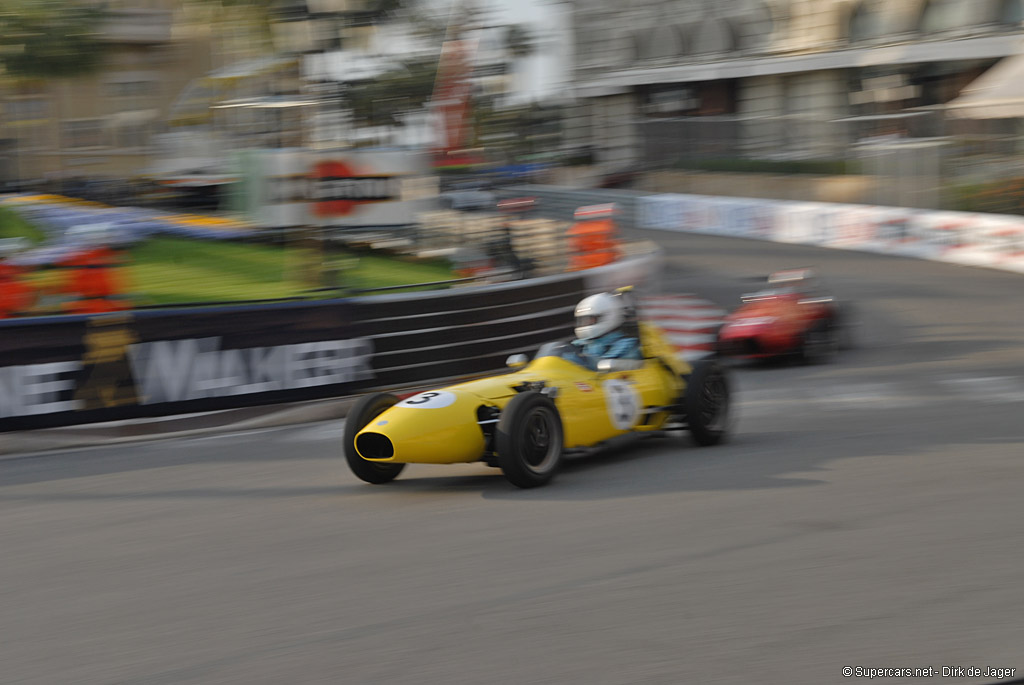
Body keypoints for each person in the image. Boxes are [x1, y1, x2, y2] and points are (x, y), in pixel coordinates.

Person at [569, 291, 641, 369]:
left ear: (608, 317)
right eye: (583, 320)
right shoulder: (581, 344)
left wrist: (583, 360)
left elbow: (603, 367)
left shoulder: (627, 346)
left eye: (591, 320)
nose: (586, 323)